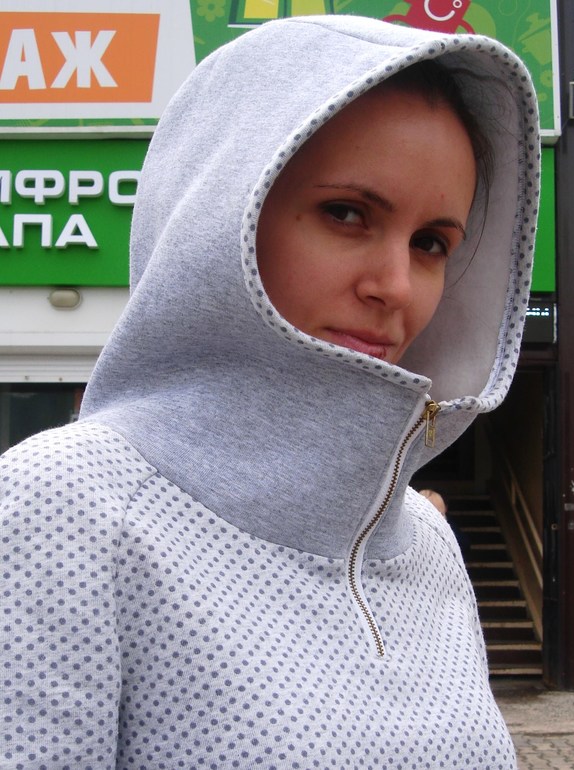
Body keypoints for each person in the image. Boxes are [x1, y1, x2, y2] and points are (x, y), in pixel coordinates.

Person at [0, 15, 539, 770]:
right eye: (347, 213)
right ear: (218, 215)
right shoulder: (66, 505)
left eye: (431, 244)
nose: (395, 285)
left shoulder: (425, 539)